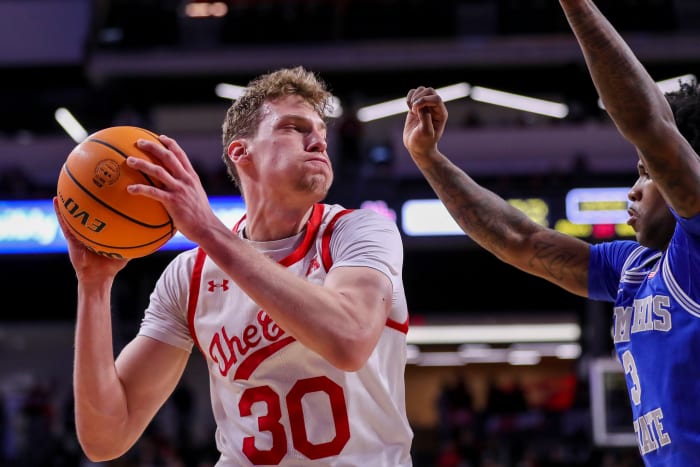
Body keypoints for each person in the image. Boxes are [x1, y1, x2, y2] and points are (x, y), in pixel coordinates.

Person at [54, 66, 413, 466]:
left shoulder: (358, 232)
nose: (317, 141)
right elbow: (106, 437)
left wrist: (207, 229)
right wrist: (93, 286)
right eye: (294, 128)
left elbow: (349, 340)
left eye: (321, 134)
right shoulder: (188, 276)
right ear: (242, 152)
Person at [402, 1, 700, 465]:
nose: (633, 192)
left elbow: (651, 126)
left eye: (646, 173)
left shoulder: (695, 247)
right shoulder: (633, 267)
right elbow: (521, 241)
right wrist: (429, 160)